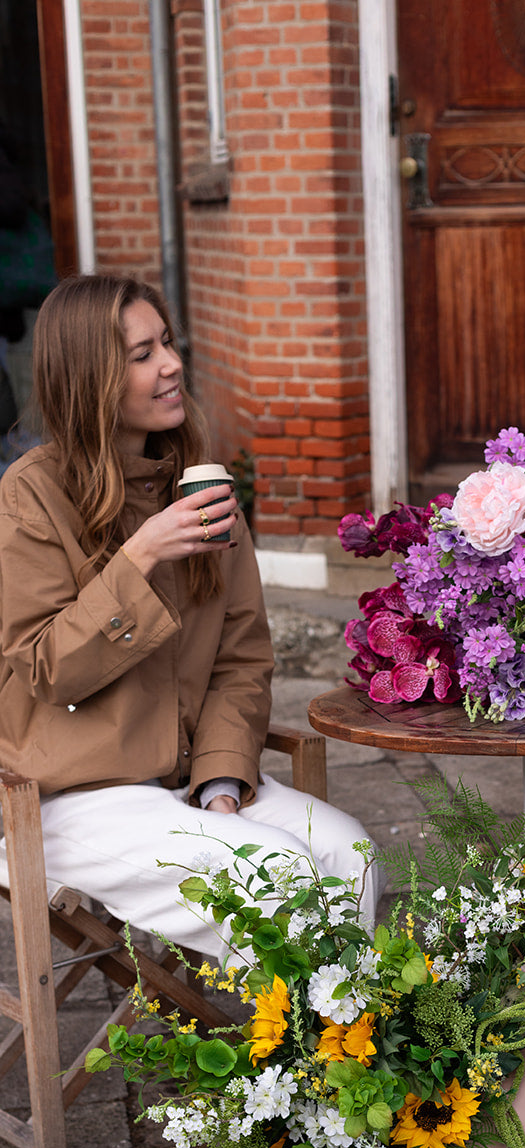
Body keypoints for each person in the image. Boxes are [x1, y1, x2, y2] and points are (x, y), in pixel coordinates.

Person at [0, 273, 379, 962]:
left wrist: (223, 779)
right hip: (69, 795)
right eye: (142, 353)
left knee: (347, 852)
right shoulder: (31, 496)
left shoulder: (199, 485)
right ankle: (312, 1051)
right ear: (91, 377)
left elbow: (240, 658)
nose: (171, 363)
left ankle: (328, 1055)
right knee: (282, 877)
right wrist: (139, 556)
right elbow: (48, 668)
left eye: (166, 343)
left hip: (182, 778)